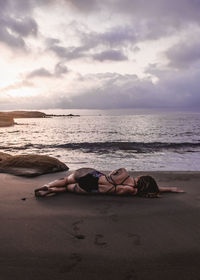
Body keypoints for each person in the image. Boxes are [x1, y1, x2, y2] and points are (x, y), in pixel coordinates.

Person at [34, 167, 184, 198]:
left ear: (142, 178)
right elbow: (155, 189)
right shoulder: (132, 191)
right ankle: (50, 191)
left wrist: (112, 175)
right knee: (67, 189)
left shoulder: (124, 172)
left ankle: (47, 186)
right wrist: (170, 189)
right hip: (91, 190)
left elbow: (112, 173)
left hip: (93, 177)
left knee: (66, 180)